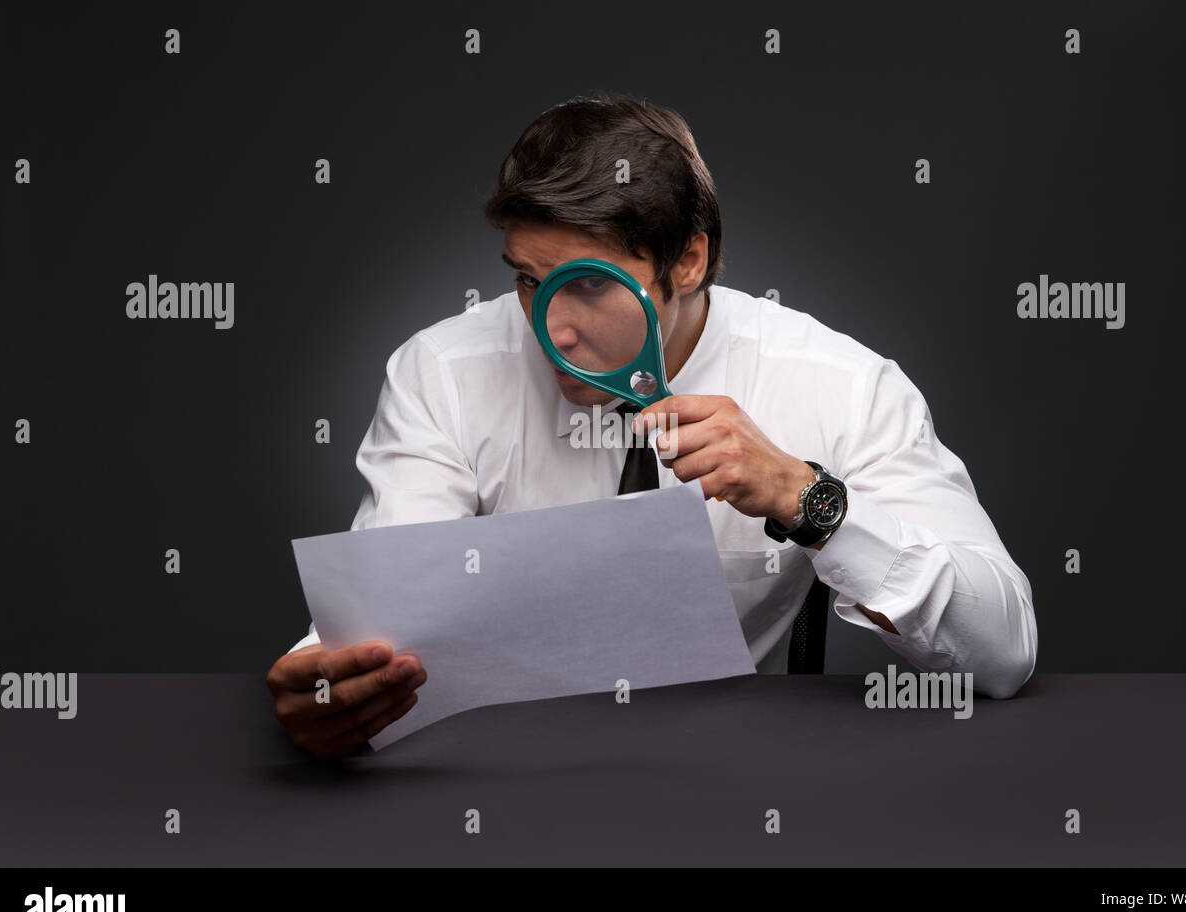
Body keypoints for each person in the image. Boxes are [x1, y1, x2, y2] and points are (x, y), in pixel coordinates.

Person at [267, 91, 1038, 758]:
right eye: (529, 281)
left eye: (590, 285)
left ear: (689, 260)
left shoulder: (841, 385)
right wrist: (334, 685)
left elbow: (1002, 651)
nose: (552, 330)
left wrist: (811, 502)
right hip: (501, 784)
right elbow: (385, 607)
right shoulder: (443, 373)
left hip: (734, 790)